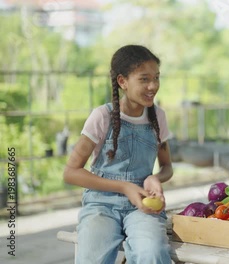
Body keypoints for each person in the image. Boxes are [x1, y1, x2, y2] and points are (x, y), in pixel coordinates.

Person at [63, 45, 174, 264]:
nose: (153, 86)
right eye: (144, 79)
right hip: (101, 205)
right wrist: (124, 186)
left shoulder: (158, 117)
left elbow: (167, 167)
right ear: (122, 81)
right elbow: (71, 172)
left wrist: (155, 178)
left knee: (151, 254)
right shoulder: (102, 116)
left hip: (142, 205)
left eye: (156, 78)